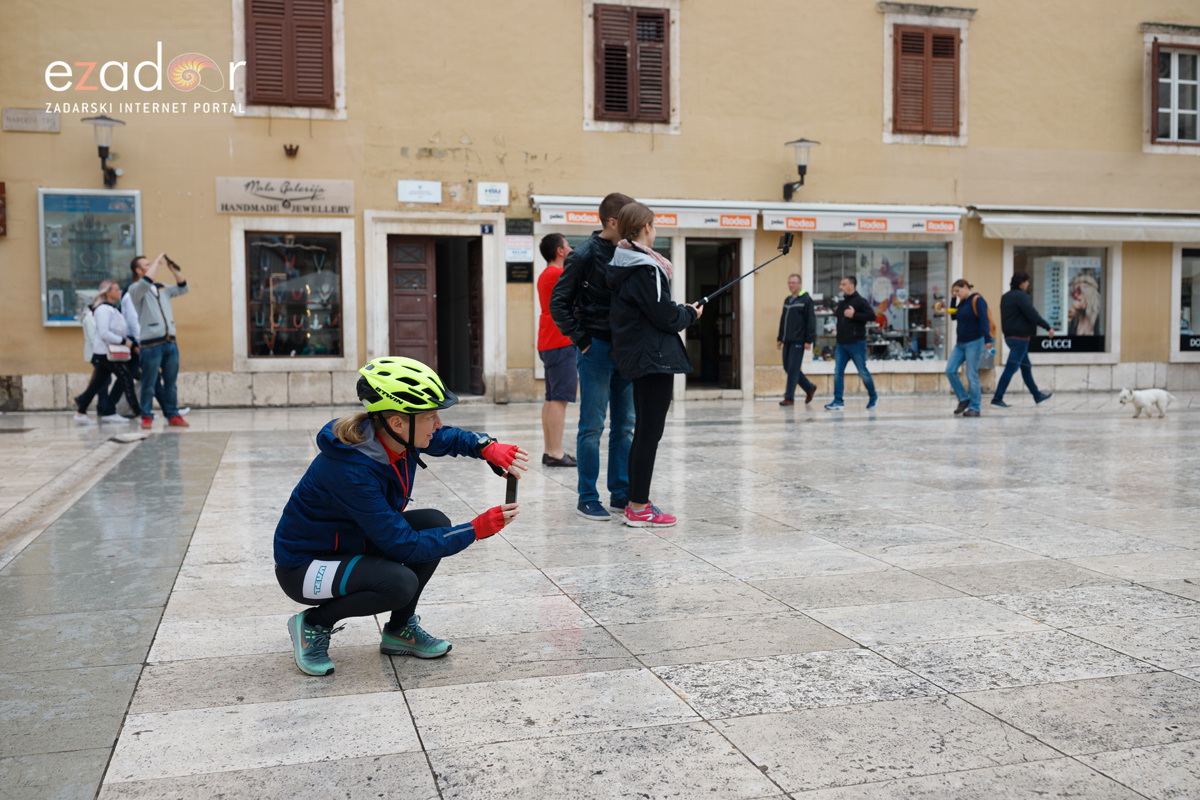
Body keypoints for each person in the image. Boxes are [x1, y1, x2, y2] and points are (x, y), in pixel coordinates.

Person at [273, 356, 528, 676]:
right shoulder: (352, 470)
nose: (437, 424)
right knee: (399, 583)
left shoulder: (391, 437)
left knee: (434, 522)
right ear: (397, 422)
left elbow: (445, 437)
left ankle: (399, 630)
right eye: (431, 416)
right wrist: (475, 529)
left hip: (351, 544)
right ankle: (313, 624)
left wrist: (484, 445)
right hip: (305, 567)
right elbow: (403, 546)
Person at [606, 202, 702, 528]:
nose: (655, 230)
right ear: (646, 227)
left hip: (639, 356)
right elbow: (666, 316)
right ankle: (638, 506)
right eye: (654, 225)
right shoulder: (646, 268)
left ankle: (637, 502)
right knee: (649, 434)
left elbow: (651, 310)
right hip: (654, 359)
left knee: (643, 433)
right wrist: (690, 313)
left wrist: (678, 310)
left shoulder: (623, 265)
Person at [549, 192, 637, 521]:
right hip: (596, 348)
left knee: (625, 426)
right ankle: (587, 496)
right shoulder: (583, 254)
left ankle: (621, 492)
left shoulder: (631, 251)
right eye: (630, 220)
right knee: (592, 427)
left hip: (626, 350)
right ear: (613, 221)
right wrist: (582, 340)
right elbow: (559, 303)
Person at [127, 253, 190, 430]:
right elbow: (147, 280)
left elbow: (183, 287)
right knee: (149, 382)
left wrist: (173, 270)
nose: (153, 266)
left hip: (170, 342)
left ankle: (173, 414)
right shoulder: (135, 290)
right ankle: (146, 415)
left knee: (171, 382)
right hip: (151, 343)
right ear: (138, 270)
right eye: (146, 264)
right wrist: (156, 261)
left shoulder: (162, 288)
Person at [536, 233, 578, 468]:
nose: (571, 249)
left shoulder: (546, 274)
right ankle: (555, 451)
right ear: (560, 251)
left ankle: (550, 450)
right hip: (560, 340)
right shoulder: (557, 274)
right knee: (559, 399)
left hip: (549, 340)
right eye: (568, 246)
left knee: (552, 398)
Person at [73, 280, 140, 424]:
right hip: (106, 353)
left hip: (108, 352)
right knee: (127, 379)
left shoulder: (112, 308)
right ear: (108, 292)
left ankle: (81, 412)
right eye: (116, 290)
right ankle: (140, 414)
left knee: (97, 383)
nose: (119, 292)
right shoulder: (103, 309)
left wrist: (131, 342)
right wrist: (125, 342)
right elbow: (104, 333)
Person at [992, 270, 1055, 407]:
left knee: (1026, 367)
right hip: (1020, 338)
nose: (1028, 284)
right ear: (1021, 283)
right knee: (1011, 368)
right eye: (1026, 282)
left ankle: (1037, 395)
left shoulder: (1006, 296)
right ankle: (997, 398)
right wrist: (1047, 327)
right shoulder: (1021, 296)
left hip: (1010, 337)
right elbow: (1032, 314)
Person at [825, 276, 879, 410]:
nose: (840, 287)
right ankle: (838, 401)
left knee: (862, 372)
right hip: (841, 344)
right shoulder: (843, 302)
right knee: (838, 372)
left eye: (843, 284)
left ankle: (873, 396)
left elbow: (872, 316)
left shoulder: (860, 301)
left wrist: (854, 315)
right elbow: (840, 318)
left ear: (851, 285)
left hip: (856, 344)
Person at [945, 278, 994, 417]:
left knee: (971, 374)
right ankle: (963, 399)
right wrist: (953, 299)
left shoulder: (977, 300)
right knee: (950, 370)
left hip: (975, 342)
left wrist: (988, 339)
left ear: (965, 287)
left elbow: (984, 320)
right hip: (960, 344)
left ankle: (975, 407)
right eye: (954, 292)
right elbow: (953, 317)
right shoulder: (962, 302)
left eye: (957, 290)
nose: (956, 293)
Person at [777, 273, 818, 406]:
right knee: (787, 367)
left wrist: (808, 340)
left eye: (794, 282)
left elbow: (811, 321)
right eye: (789, 282)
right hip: (787, 340)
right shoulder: (787, 300)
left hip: (799, 341)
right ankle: (809, 387)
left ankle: (789, 398)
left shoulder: (806, 300)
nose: (791, 285)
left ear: (800, 284)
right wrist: (780, 338)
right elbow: (783, 321)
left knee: (793, 369)